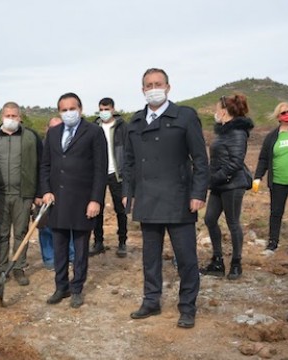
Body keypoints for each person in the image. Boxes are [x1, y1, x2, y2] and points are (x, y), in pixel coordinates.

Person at [123, 68, 209, 329]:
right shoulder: (135, 123)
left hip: (178, 199)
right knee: (150, 257)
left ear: (168, 87)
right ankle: (151, 300)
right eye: (148, 85)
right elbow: (129, 163)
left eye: (158, 83)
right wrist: (129, 193)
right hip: (147, 199)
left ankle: (187, 306)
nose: (153, 88)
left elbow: (200, 159)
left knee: (186, 258)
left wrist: (197, 193)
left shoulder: (185, 116)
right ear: (142, 90)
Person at [40, 92, 108, 309]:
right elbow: (45, 166)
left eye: (72, 108)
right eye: (64, 109)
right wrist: (46, 191)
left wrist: (95, 199)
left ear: (80, 109)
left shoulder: (94, 132)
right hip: (57, 200)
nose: (69, 112)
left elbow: (100, 168)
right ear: (59, 111)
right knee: (59, 246)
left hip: (82, 200)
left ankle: (77, 287)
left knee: (80, 248)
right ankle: (61, 286)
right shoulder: (53, 133)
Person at [0, 102, 42, 287]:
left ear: (20, 117)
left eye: (14, 116)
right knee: (1, 234)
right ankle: (1, 268)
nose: (11, 119)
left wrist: (38, 193)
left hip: (23, 194)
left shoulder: (30, 137)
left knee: (21, 232)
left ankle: (18, 267)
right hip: (0, 194)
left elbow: (41, 165)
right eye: (8, 116)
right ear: (1, 117)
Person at [200, 94, 254, 280]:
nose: (215, 112)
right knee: (209, 219)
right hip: (219, 183)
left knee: (232, 222)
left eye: (217, 108)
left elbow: (236, 162)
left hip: (232, 184)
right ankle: (217, 261)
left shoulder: (237, 132)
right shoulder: (223, 131)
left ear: (224, 111)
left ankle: (236, 263)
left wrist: (215, 178)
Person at [257, 102, 288, 252]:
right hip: (278, 182)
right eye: (284, 113)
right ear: (278, 117)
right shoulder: (271, 137)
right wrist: (258, 177)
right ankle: (273, 242)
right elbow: (263, 159)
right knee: (276, 213)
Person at [91, 97, 129, 258]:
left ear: (113, 109)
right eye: (101, 109)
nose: (104, 112)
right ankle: (98, 242)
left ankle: (122, 242)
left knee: (120, 209)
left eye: (107, 109)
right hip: (98, 173)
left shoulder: (122, 127)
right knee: (96, 209)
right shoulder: (94, 127)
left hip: (116, 173)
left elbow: (128, 151)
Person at [38, 117, 75, 269]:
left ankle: (71, 254)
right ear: (47, 129)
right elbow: (37, 171)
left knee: (69, 224)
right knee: (45, 226)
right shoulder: (40, 147)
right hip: (45, 192)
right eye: (52, 128)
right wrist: (39, 194)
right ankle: (49, 258)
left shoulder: (70, 145)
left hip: (66, 192)